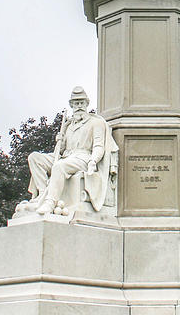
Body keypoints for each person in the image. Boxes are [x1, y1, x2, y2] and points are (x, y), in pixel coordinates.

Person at [15, 86, 117, 217]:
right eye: (76, 103)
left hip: (83, 158)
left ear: (87, 104)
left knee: (59, 166)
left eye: (81, 103)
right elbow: (61, 150)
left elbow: (99, 147)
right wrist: (60, 141)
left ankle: (50, 202)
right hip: (67, 156)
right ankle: (42, 193)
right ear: (72, 105)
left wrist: (93, 160)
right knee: (34, 158)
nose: (79, 106)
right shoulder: (68, 125)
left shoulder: (95, 123)